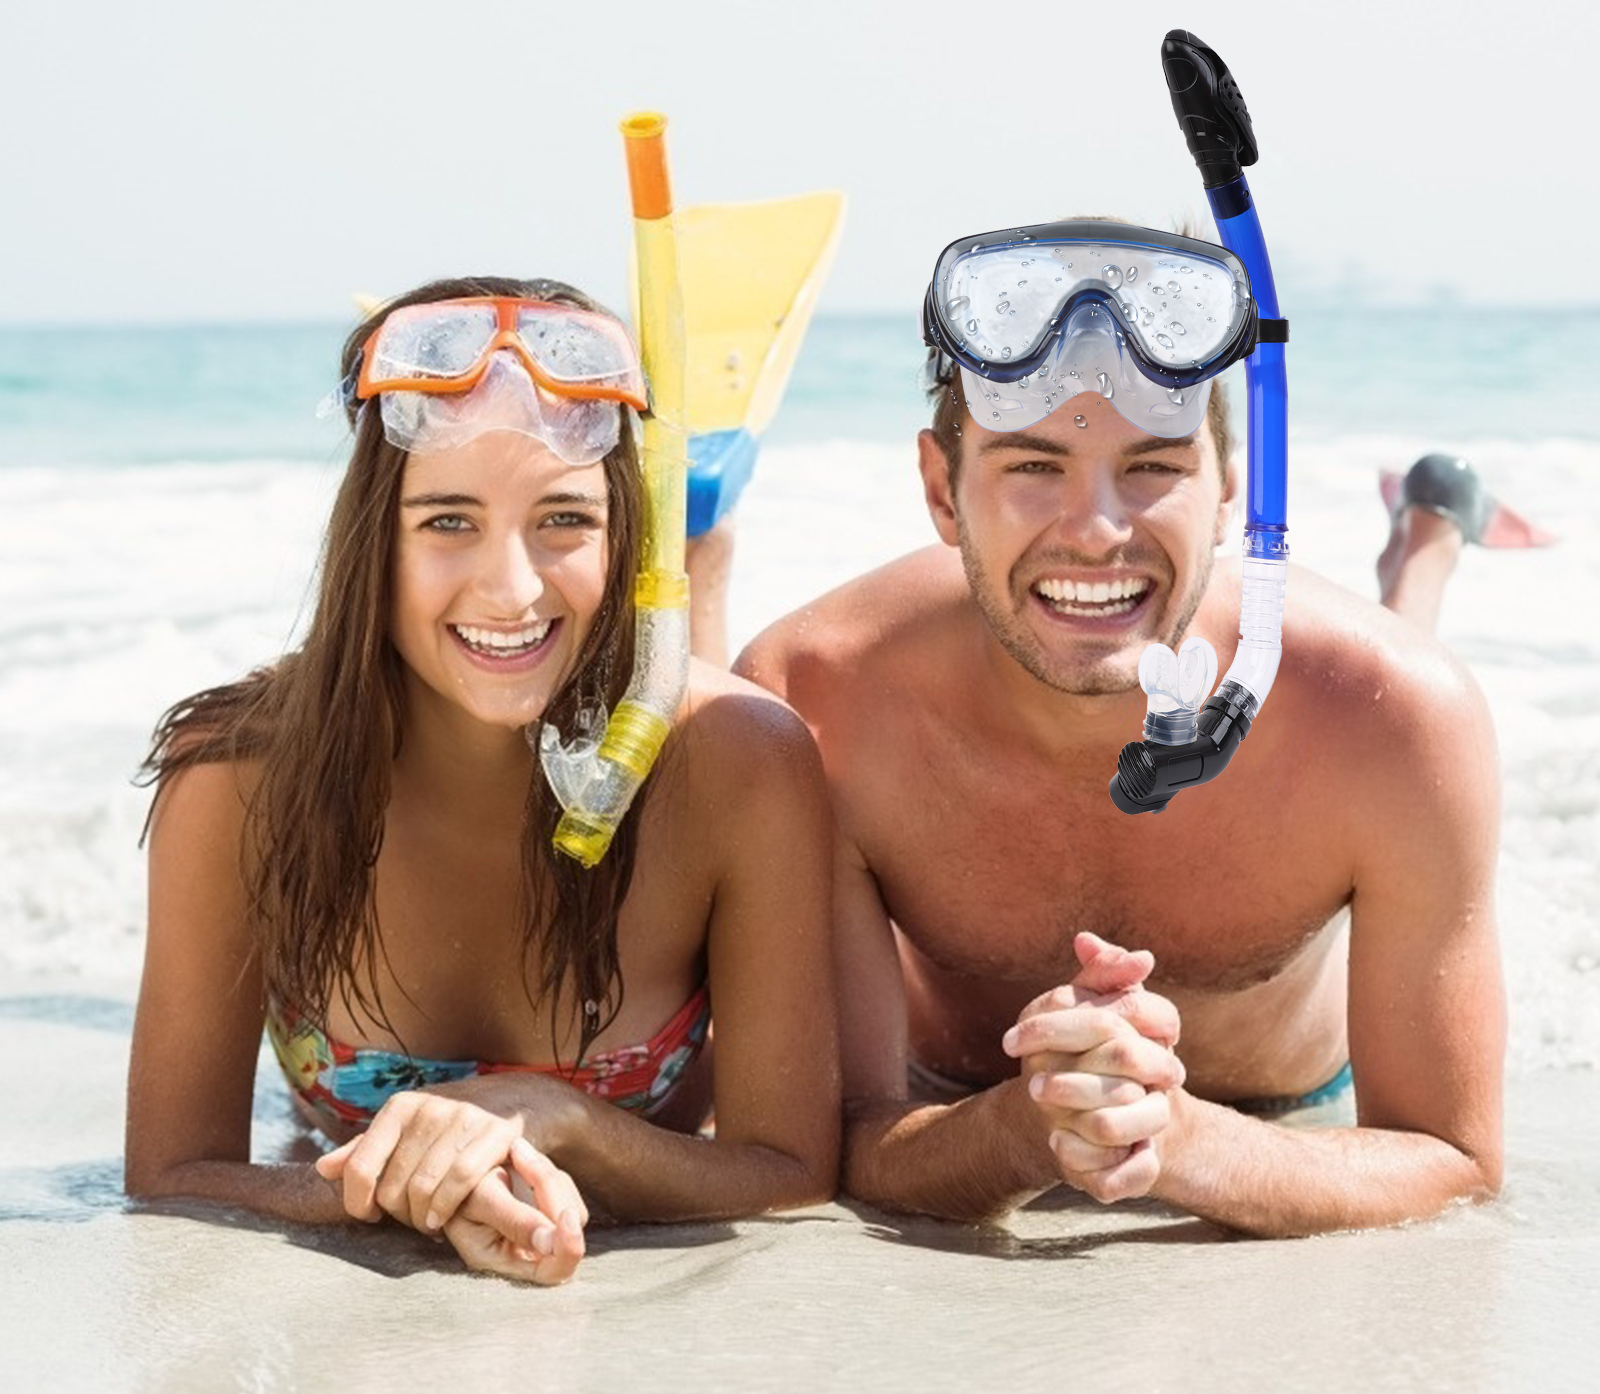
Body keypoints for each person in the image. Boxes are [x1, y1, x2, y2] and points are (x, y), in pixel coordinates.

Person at [126, 277, 839, 1285]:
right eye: (448, 521)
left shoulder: (748, 763)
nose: (508, 588)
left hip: (659, 732)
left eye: (564, 518)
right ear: (374, 538)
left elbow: (793, 1173)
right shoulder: (239, 780)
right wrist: (407, 1191)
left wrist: (557, 1117)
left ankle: (697, 547)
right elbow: (170, 1175)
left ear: (621, 531)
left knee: (676, 704)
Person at [737, 334, 1507, 1238]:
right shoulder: (812, 703)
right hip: (947, 1088)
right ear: (943, 490)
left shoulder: (1402, 715)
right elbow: (833, 1140)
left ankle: (1424, 547)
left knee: (1380, 675)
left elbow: (1453, 1157)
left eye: (1153, 466)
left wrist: (1185, 1142)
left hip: (1290, 1099)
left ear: (1227, 491)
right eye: (1033, 465)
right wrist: (1020, 1128)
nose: (1096, 532)